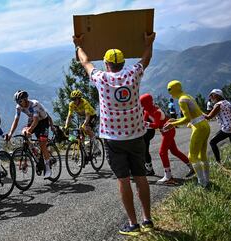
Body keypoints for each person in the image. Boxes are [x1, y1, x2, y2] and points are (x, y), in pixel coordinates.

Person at [73, 31, 156, 237]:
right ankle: (148, 220)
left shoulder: (101, 78)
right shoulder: (133, 73)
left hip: (113, 138)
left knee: (124, 180)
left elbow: (84, 62)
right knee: (141, 177)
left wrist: (78, 45)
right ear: (123, 62)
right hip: (137, 134)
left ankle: (133, 224)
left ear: (107, 64)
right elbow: (146, 59)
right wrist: (148, 42)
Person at [164, 80, 211, 188]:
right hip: (205, 125)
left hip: (198, 127)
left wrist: (173, 124)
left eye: (169, 90)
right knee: (202, 154)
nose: (169, 93)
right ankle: (206, 180)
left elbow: (187, 118)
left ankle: (202, 183)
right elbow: (192, 116)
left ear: (173, 90)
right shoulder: (188, 96)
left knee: (192, 156)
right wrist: (175, 120)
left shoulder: (181, 100)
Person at [140, 94, 194, 184]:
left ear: (147, 103)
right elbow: (144, 121)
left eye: (143, 104)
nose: (141, 106)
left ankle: (168, 176)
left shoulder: (156, 111)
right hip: (165, 131)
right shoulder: (147, 110)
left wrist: (144, 123)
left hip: (169, 131)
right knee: (174, 151)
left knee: (162, 152)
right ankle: (192, 167)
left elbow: (156, 125)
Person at [5, 90, 54, 178]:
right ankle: (34, 150)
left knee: (42, 143)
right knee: (24, 133)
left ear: (26, 99)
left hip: (43, 121)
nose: (18, 103)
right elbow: (15, 121)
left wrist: (30, 130)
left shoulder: (34, 104)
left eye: (20, 101)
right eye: (17, 102)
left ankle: (48, 168)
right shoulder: (18, 107)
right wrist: (10, 134)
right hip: (32, 120)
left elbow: (36, 121)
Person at [204, 89, 231, 167]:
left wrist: (198, 112)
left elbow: (209, 117)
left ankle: (219, 163)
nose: (211, 97)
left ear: (217, 95)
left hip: (227, 128)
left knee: (212, 142)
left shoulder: (218, 105)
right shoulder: (227, 102)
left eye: (212, 95)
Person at [142, 110, 156, 176]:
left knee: (144, 150)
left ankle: (149, 169)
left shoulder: (145, 110)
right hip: (149, 131)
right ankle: (149, 169)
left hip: (147, 131)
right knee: (144, 150)